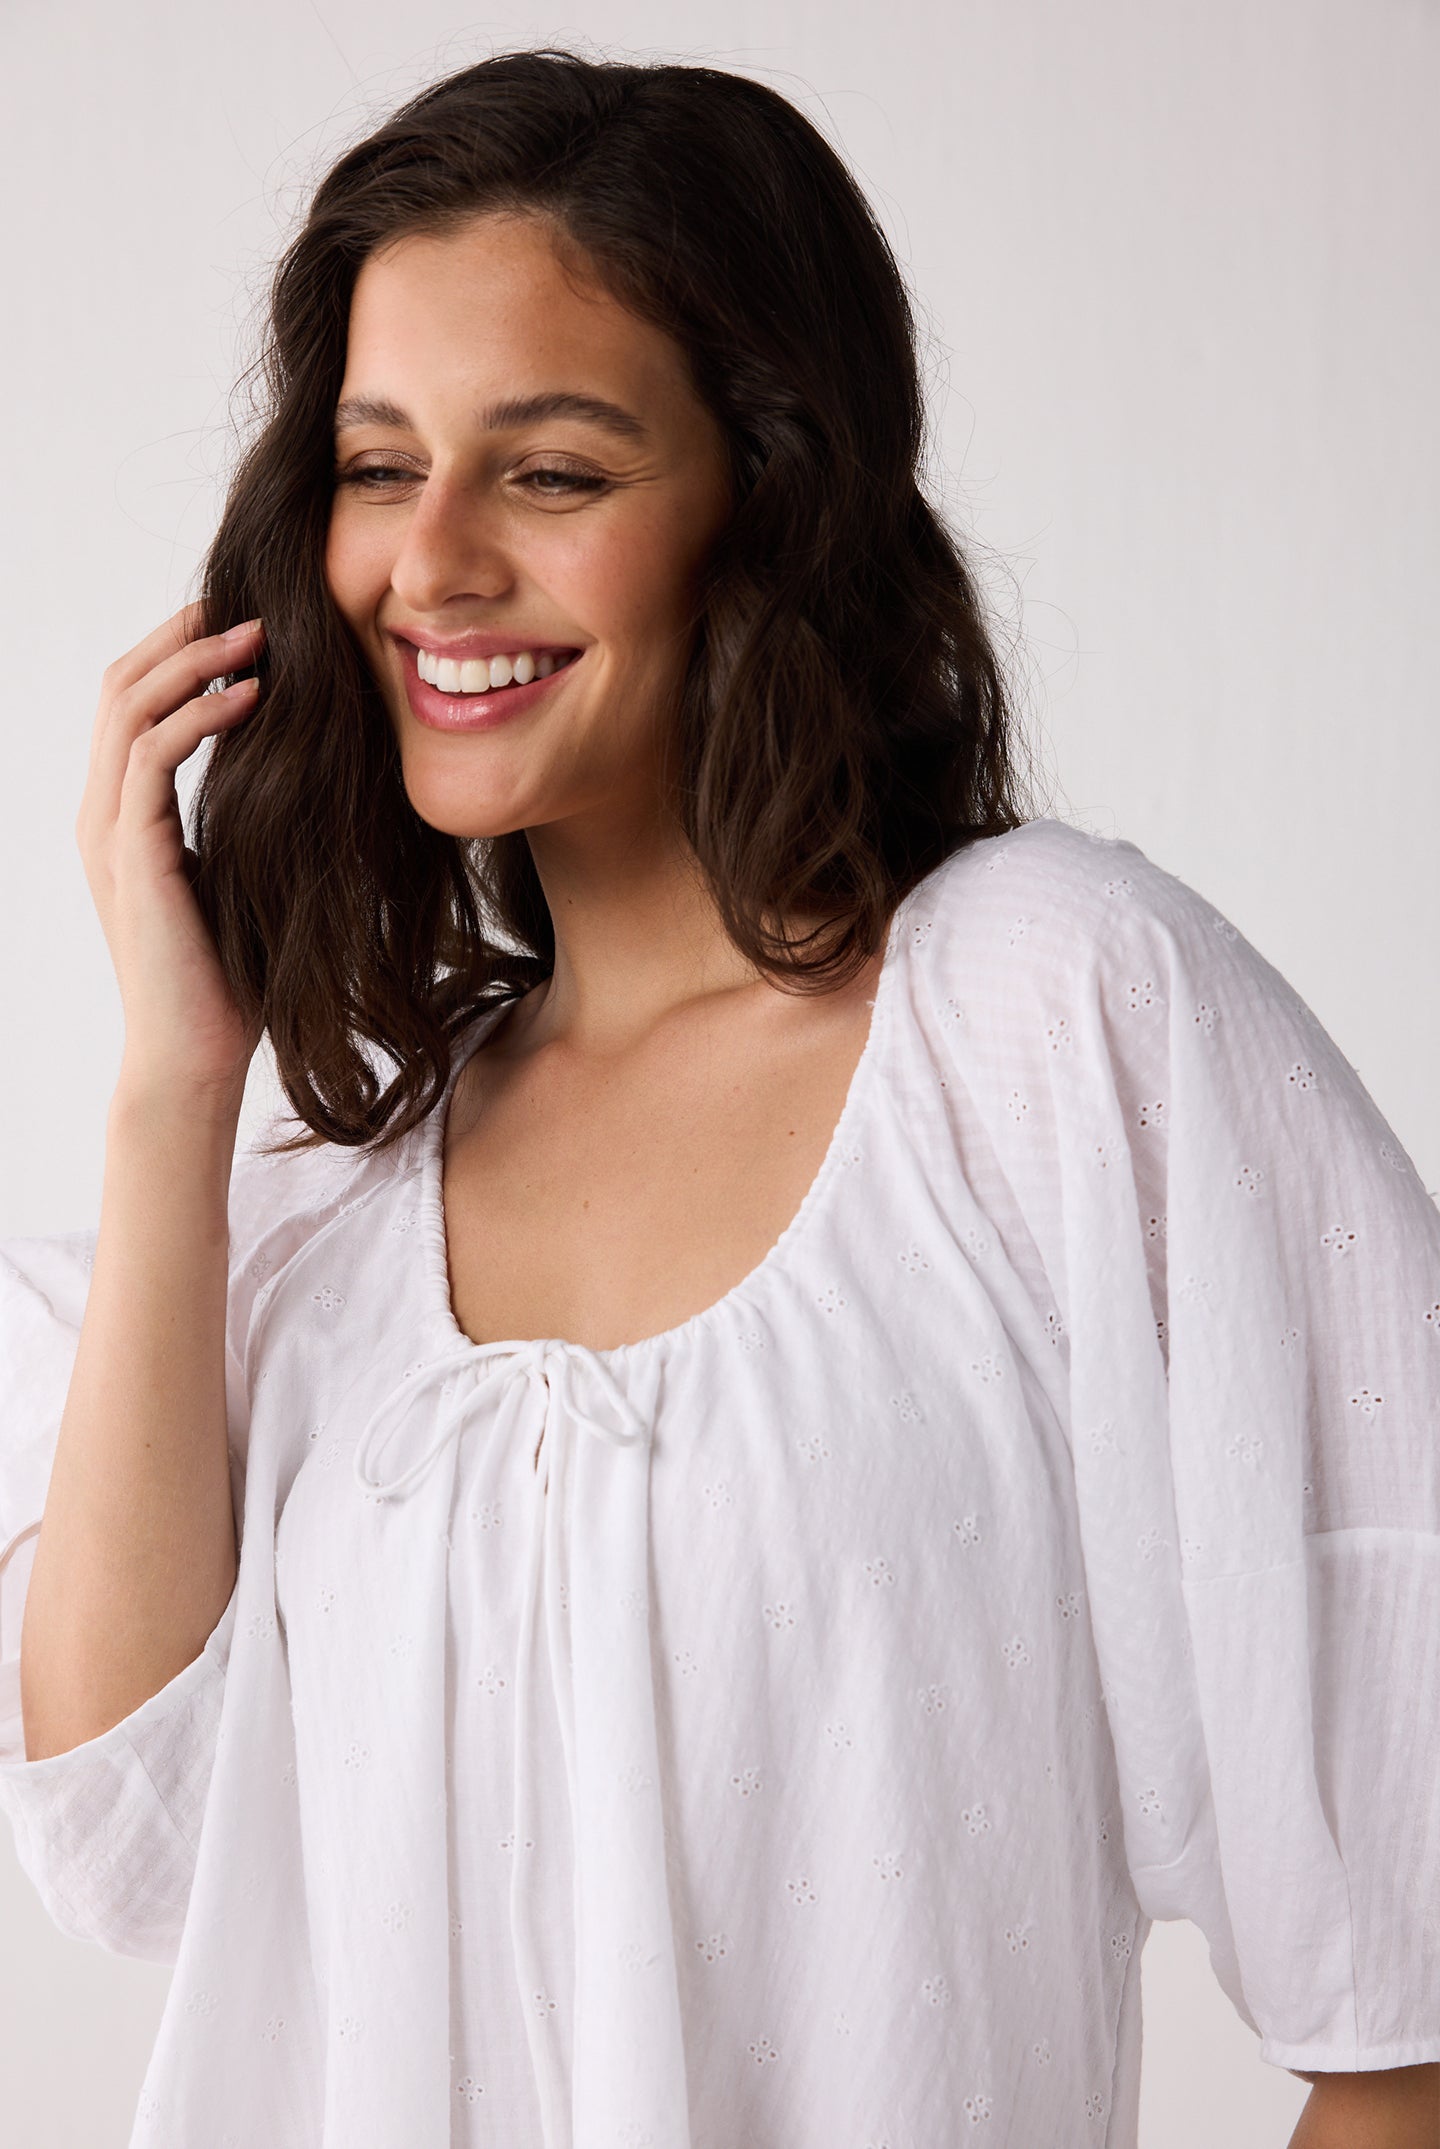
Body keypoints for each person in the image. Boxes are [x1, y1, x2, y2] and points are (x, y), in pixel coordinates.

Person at [0, 46, 1435, 2149]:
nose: (435, 560)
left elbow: (1404, 2000)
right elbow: (127, 1837)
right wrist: (174, 1087)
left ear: (765, 500)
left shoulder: (1046, 1020)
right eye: (378, 465)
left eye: (554, 472)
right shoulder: (331, 1185)